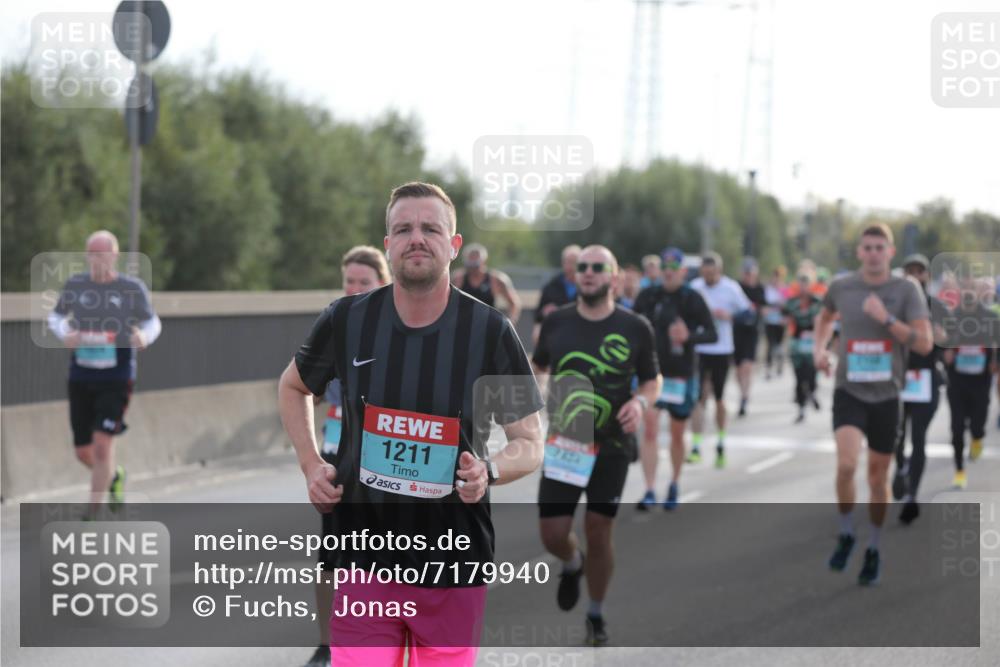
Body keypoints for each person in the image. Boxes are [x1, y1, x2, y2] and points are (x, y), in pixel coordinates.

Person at [278, 182, 545, 666]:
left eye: (430, 228)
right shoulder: (347, 319)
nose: (416, 238)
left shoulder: (488, 331)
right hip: (363, 555)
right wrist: (311, 464)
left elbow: (529, 440)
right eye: (403, 229)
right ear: (388, 244)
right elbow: (293, 386)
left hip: (452, 561)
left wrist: (491, 470)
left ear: (454, 244)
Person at [533, 245, 660, 646]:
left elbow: (652, 380)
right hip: (565, 441)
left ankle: (595, 613)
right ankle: (572, 563)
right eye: (582, 267)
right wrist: (534, 401)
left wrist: (640, 403)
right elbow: (539, 369)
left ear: (614, 278)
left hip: (612, 445)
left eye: (597, 268)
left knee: (598, 528)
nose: (588, 273)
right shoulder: (556, 323)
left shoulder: (636, 327)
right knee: (553, 533)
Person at [813, 224, 932, 586]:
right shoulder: (842, 287)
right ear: (860, 252)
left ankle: (874, 546)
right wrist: (820, 350)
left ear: (891, 252)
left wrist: (887, 320)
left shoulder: (905, 290)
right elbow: (824, 317)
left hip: (887, 395)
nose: (874, 253)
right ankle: (848, 531)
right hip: (849, 390)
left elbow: (925, 343)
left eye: (880, 247)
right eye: (868, 247)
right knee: (847, 465)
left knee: (877, 477)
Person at [303, 245, 390, 667]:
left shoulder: (399, 327)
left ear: (383, 283)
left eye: (364, 282)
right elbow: (305, 384)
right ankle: (327, 643)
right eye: (349, 282)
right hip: (338, 451)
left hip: (386, 458)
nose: (354, 289)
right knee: (332, 553)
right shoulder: (336, 322)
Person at [47, 230, 161, 517]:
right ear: (87, 256)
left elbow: (152, 322)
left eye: (103, 253)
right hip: (82, 375)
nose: (98, 258)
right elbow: (56, 316)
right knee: (84, 452)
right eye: (93, 253)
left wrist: (144, 337)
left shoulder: (131, 288)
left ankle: (91, 513)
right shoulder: (76, 285)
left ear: (115, 256)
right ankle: (114, 475)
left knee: (101, 446)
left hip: (117, 376)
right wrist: (65, 333)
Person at [634, 247, 717, 510]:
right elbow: (631, 328)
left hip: (681, 374)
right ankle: (649, 489)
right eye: (665, 270)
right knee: (649, 430)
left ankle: (674, 483)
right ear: (660, 271)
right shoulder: (648, 296)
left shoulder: (692, 298)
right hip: (651, 373)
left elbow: (712, 334)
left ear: (682, 272)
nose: (668, 274)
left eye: (674, 270)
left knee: (677, 434)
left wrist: (689, 336)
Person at [890, 254, 950, 523]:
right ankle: (901, 468)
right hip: (899, 379)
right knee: (896, 438)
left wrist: (943, 341)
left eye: (920, 271)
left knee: (920, 439)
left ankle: (913, 495)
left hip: (926, 379)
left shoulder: (936, 307)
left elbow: (947, 346)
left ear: (927, 275)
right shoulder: (893, 304)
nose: (915, 275)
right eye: (910, 270)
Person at [688, 252, 751, 468]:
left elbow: (748, 313)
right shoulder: (695, 287)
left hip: (722, 349)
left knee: (719, 398)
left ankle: (721, 442)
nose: (708, 278)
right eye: (705, 274)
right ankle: (696, 445)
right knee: (698, 398)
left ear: (719, 271)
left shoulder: (731, 288)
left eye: (712, 274)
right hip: (699, 348)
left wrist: (729, 316)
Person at [943, 276, 999, 489]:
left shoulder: (989, 317)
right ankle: (959, 470)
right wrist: (944, 354)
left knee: (978, 423)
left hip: (980, 379)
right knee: (956, 427)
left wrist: (995, 362)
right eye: (965, 288)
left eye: (972, 289)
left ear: (978, 293)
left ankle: (977, 438)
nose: (968, 293)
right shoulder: (952, 317)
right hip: (957, 380)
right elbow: (940, 342)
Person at [783, 267, 823, 423]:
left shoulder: (818, 301)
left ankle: (812, 392)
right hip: (797, 343)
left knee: (811, 374)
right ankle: (801, 407)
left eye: (806, 283)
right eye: (801, 283)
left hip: (812, 343)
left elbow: (824, 318)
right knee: (799, 377)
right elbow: (784, 316)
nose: (803, 287)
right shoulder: (792, 302)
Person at [450, 242, 522, 323]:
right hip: (463, 325)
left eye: (476, 265)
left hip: (488, 327)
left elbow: (513, 303)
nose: (473, 269)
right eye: (470, 265)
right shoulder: (458, 278)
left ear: (483, 261)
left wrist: (509, 323)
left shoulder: (496, 280)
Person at [734, 257, 766, 416]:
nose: (748, 275)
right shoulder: (737, 288)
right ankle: (742, 391)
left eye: (750, 272)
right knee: (738, 368)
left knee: (748, 366)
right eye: (745, 272)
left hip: (752, 332)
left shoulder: (759, 288)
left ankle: (745, 396)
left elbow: (763, 308)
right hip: (737, 331)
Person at [534, 244, 581, 344]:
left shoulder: (588, 286)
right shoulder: (551, 286)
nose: (571, 266)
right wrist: (544, 312)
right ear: (563, 263)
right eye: (568, 262)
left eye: (574, 262)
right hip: (557, 333)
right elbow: (537, 315)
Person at [763, 265, 789, 379]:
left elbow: (788, 306)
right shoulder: (768, 289)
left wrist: (785, 316)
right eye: (775, 276)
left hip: (780, 321)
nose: (776, 279)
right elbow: (763, 303)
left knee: (779, 344)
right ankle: (768, 368)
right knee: (770, 344)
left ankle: (780, 362)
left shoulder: (784, 289)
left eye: (779, 277)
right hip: (769, 321)